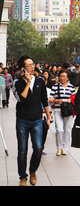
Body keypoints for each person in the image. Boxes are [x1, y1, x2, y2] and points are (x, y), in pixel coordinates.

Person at [12, 55, 51, 186]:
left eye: (33, 64)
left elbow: (44, 99)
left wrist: (48, 116)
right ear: (22, 68)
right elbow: (21, 98)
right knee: (22, 150)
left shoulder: (40, 81)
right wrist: (28, 83)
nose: (32, 67)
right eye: (29, 65)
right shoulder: (17, 83)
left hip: (37, 120)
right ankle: (23, 177)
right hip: (22, 120)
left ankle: (33, 170)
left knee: (38, 147)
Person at [49, 69, 76, 156]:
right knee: (59, 130)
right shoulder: (55, 87)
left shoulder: (71, 87)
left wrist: (70, 100)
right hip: (58, 110)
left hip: (68, 111)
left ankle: (65, 147)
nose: (62, 78)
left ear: (68, 78)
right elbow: (50, 99)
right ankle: (59, 147)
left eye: (64, 76)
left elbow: (75, 98)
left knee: (67, 130)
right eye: (61, 76)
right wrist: (56, 101)